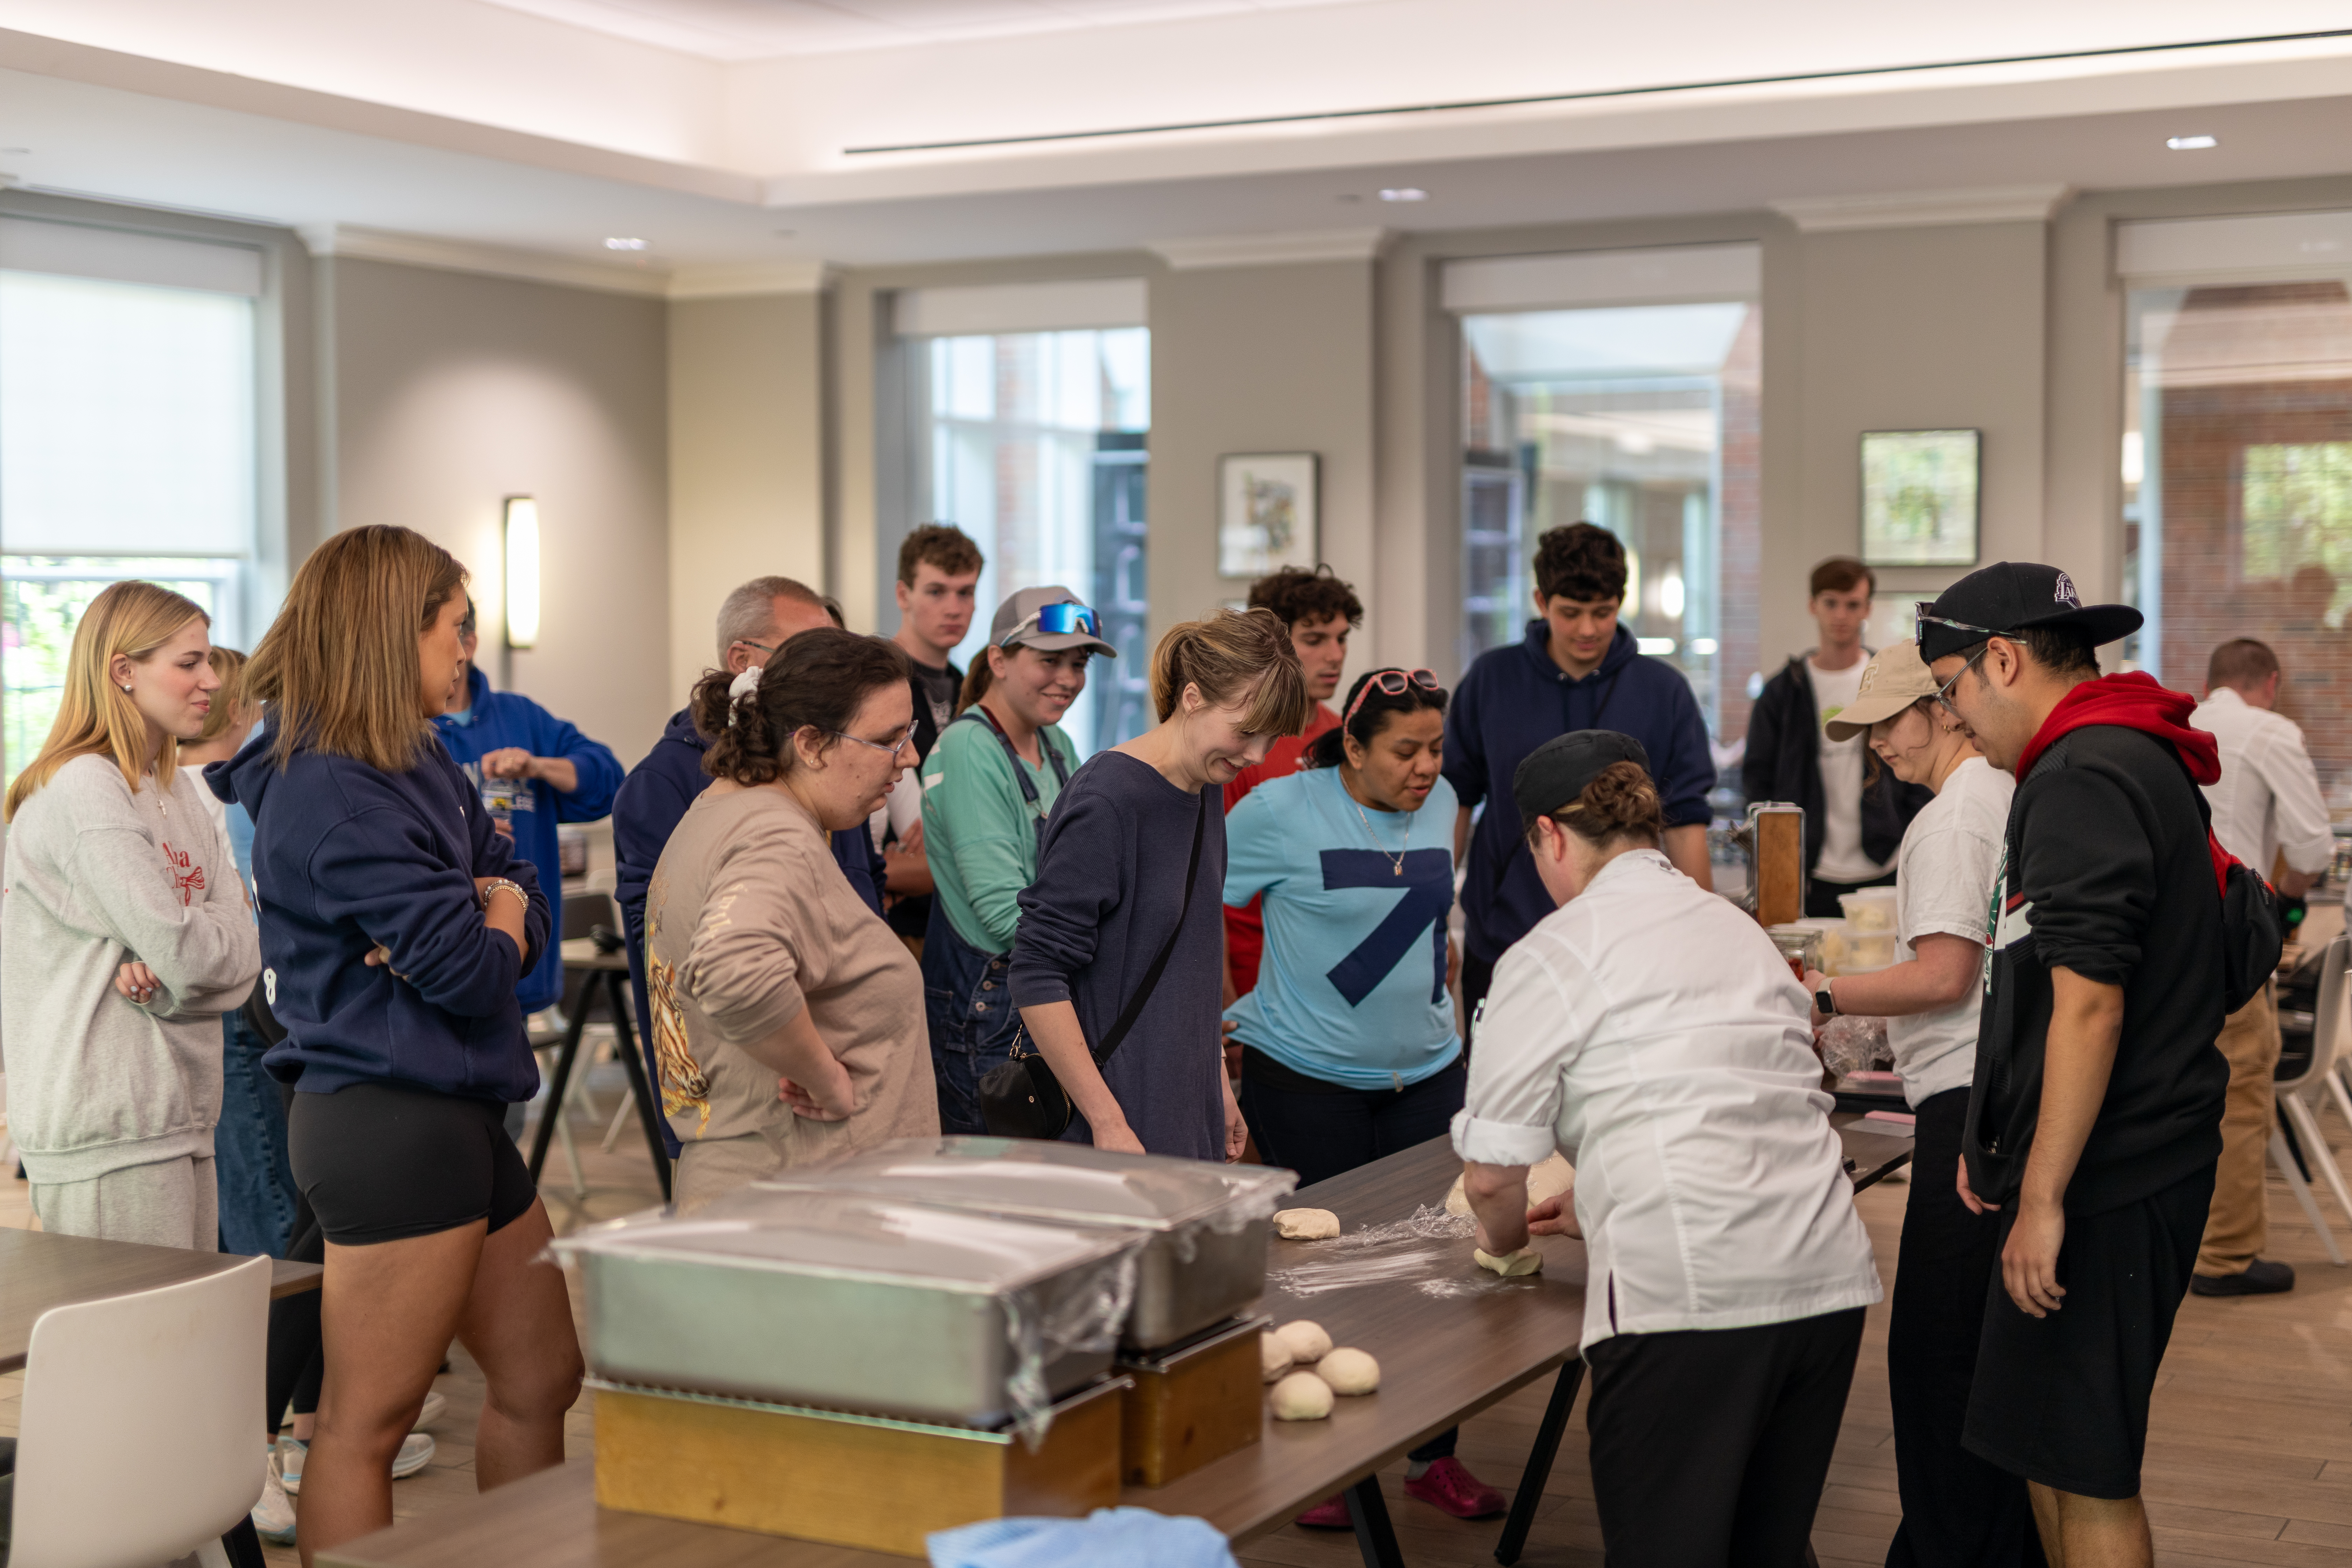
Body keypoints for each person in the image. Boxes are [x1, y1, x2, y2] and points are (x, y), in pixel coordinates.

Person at [214, 524, 578, 1563]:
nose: (469, 653)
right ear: (392, 632)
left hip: (458, 1105)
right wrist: (486, 919)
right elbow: (468, 968)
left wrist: (490, 905)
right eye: (457, 630)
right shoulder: (325, 782)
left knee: (543, 1372)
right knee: (365, 1420)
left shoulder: (416, 753)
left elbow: (513, 886)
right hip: (386, 1120)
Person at [1454, 731, 1881, 1567]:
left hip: (1693, 1301)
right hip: (1823, 1284)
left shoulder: (1553, 953)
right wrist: (1604, 1191)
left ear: (1549, 835)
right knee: (1771, 1549)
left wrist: (1505, 1252)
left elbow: (1492, 1175)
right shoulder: (1740, 931)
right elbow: (1742, 1091)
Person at [1921, 562, 2226, 1568]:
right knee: (2047, 1456)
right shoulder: (2126, 750)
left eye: (1953, 692)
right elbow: (2045, 985)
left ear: (1999, 660)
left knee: (2087, 1473)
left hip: (2112, 1177)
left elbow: (2092, 1004)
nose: (1959, 723)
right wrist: (1998, 1138)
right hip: (2111, 1158)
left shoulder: (2084, 771)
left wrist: (2043, 1195)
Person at [1225, 666, 1507, 1525]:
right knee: (1331, 1273)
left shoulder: (1441, 797)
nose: (1426, 768)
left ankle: (1433, 1457)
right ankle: (1331, 1471)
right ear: (1351, 745)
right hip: (1305, 1074)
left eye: (1435, 748)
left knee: (1439, 1266)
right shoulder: (1277, 810)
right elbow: (1196, 910)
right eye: (1404, 751)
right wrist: (1210, 1034)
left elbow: (1430, 922)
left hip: (1426, 1072)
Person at [1798, 642, 2036, 1568]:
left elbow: (1944, 974)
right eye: (1863, 735)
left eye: (1889, 726)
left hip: (1969, 1112)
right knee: (1981, 1358)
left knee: (1936, 1365)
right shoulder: (2001, 796)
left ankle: (1947, 1550)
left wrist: (1821, 997)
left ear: (1943, 708)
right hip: (2000, 1093)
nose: (1878, 751)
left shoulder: (1951, 817)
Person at [2, 582, 260, 1249]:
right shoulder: (86, 786)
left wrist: (186, 973)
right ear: (123, 672)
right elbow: (191, 952)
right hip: (108, 1128)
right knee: (130, 1350)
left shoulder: (171, 787)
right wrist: (194, 957)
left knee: (186, 1342)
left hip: (182, 1113)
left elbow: (237, 955)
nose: (212, 683)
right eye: (189, 664)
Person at [645, 629, 939, 1205]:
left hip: (775, 1186)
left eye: (910, 735)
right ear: (810, 744)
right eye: (889, 740)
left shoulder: (722, 808)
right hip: (808, 1198)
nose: (911, 757)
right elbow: (735, 974)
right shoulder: (774, 835)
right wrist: (826, 1080)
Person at [1011, 608, 1309, 1160]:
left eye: (1269, 739)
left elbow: (1189, 962)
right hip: (1115, 1117)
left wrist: (1216, 1084)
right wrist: (1106, 1122)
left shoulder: (1204, 785)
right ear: (1192, 698)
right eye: (1246, 732)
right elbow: (1036, 971)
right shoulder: (1109, 799)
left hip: (1183, 1103)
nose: (1256, 757)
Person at [612, 575, 889, 1166]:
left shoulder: (821, 767)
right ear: (744, 659)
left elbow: (862, 897)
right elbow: (677, 961)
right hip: (759, 1100)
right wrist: (814, 1065)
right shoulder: (669, 786)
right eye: (806, 650)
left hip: (847, 1076)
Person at [1444, 523, 1714, 1037]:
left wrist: (1699, 934)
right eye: (1570, 613)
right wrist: (1436, 921)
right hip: (1506, 939)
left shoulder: (1664, 691)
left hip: (1633, 949)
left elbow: (1686, 820)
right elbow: (1455, 800)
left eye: (1603, 612)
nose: (1588, 629)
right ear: (1541, 601)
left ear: (1622, 601)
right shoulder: (1491, 680)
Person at [919, 587, 1109, 1135]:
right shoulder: (969, 749)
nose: (1069, 679)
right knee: (999, 1194)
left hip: (1044, 989)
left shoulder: (1055, 742)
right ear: (999, 660)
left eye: (1080, 663)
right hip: (993, 1008)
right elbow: (1005, 917)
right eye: (1050, 660)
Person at [2189, 637, 2332, 1298]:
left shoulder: (2180, 724)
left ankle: (2174, 1242)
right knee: (2242, 1092)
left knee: (2173, 1096)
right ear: (2269, 682)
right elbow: (2311, 848)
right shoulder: (2271, 731)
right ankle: (2224, 1258)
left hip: (2156, 945)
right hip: (2229, 944)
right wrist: (2290, 907)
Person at [432, 597, 623, 1021]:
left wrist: (536, 766)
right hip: (447, 961)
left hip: (527, 957)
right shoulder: (412, 731)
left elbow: (608, 780)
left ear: (470, 642)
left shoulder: (521, 717)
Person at [1743, 557, 1932, 916]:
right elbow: (1757, 782)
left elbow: (1922, 761)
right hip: (1811, 869)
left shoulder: (1891, 682)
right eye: (1831, 603)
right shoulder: (1782, 692)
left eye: (1853, 604)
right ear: (1813, 606)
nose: (1841, 615)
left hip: (1885, 862)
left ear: (1868, 609)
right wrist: (1780, 856)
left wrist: (1910, 833)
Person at [1223, 565, 1362, 1002]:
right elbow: (1207, 882)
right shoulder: (1238, 742)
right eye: (1315, 639)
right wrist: (1220, 993)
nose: (1336, 655)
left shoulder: (1344, 736)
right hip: (1253, 976)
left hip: (1326, 976)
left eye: (1341, 638)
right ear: (1275, 646)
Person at [883, 524, 985, 947]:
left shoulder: (972, 690)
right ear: (904, 595)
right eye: (936, 591)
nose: (954, 608)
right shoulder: (874, 682)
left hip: (963, 922)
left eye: (966, 592)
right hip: (896, 923)